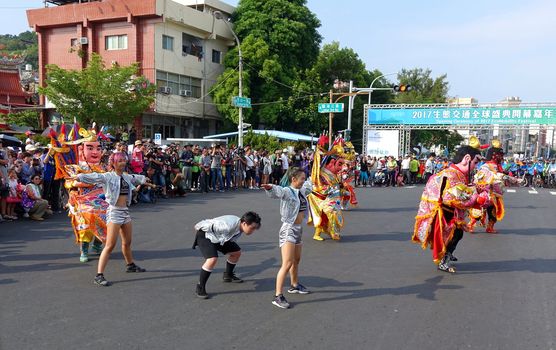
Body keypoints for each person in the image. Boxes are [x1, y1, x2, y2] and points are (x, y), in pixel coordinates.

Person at [75, 152, 155, 286]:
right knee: (110, 245)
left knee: (127, 243)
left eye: (124, 160)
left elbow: (136, 178)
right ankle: (99, 275)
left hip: (125, 212)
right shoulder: (108, 177)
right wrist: (79, 176)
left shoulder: (126, 177)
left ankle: (130, 265)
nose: (123, 163)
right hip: (114, 212)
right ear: (113, 163)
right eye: (120, 161)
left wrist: (145, 179)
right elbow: (95, 177)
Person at [412, 143, 490, 273]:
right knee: (454, 235)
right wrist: (475, 198)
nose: (476, 166)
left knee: (457, 235)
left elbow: (464, 190)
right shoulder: (451, 175)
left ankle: (446, 254)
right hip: (445, 214)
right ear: (466, 159)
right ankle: (444, 260)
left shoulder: (458, 174)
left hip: (453, 213)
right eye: (475, 162)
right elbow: (450, 198)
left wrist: (477, 190)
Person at [262, 168, 312, 309]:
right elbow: (277, 191)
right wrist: (270, 187)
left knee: (296, 260)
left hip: (298, 229)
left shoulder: (302, 191)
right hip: (288, 229)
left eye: (304, 178)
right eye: (302, 178)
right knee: (287, 262)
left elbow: (311, 183)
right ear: (293, 179)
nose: (304, 180)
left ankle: (294, 285)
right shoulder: (287, 191)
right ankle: (278, 296)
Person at [192, 211, 262, 299]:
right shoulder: (227, 226)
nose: (253, 231)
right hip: (205, 235)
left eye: (255, 228)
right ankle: (200, 287)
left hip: (219, 238)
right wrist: (198, 226)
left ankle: (228, 275)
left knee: (236, 253)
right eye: (252, 228)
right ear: (244, 223)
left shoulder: (240, 227)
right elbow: (205, 224)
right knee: (212, 259)